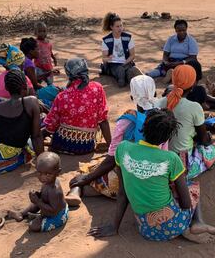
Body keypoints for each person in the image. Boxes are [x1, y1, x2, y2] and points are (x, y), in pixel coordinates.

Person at [87, 109, 215, 243]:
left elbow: (123, 193)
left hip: (147, 230)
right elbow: (186, 204)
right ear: (167, 137)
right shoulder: (171, 158)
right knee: (191, 184)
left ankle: (186, 229)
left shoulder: (123, 148)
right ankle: (194, 225)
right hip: (175, 224)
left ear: (144, 126)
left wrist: (114, 226)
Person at [65, 75, 161, 206]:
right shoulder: (164, 118)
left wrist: (86, 179)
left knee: (82, 176)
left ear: (132, 97)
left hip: (127, 179)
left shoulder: (127, 119)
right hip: (155, 179)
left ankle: (78, 190)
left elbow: (112, 158)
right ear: (155, 93)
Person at [0, 70, 43, 174]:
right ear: (25, 87)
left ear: (6, 88)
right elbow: (36, 136)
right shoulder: (31, 102)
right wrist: (42, 161)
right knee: (28, 150)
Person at [43, 58, 112, 155]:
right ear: (86, 69)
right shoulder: (97, 88)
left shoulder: (62, 96)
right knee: (98, 130)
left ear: (68, 74)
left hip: (61, 144)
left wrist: (40, 136)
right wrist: (111, 146)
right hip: (85, 147)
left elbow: (51, 125)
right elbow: (103, 120)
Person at [7, 152, 68, 232]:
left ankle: (38, 217)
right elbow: (45, 198)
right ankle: (21, 214)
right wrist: (38, 195)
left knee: (33, 226)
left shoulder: (54, 190)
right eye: (39, 173)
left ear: (58, 172)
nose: (42, 177)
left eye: (47, 174)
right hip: (48, 209)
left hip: (57, 216)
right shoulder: (48, 182)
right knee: (36, 203)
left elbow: (53, 212)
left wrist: (38, 202)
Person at [100, 12, 142, 87]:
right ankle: (123, 79)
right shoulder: (106, 40)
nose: (120, 28)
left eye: (121, 26)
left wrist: (125, 62)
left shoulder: (128, 37)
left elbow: (132, 55)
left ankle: (129, 76)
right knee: (120, 69)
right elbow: (104, 59)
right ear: (111, 27)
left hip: (127, 62)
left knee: (129, 70)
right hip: (113, 65)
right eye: (117, 26)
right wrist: (108, 58)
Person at [20, 37, 60, 108]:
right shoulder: (29, 65)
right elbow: (35, 85)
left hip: (27, 92)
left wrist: (49, 73)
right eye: (37, 49)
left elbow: (32, 79)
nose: (39, 51)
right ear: (31, 51)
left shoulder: (25, 61)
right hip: (33, 93)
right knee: (58, 91)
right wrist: (47, 88)